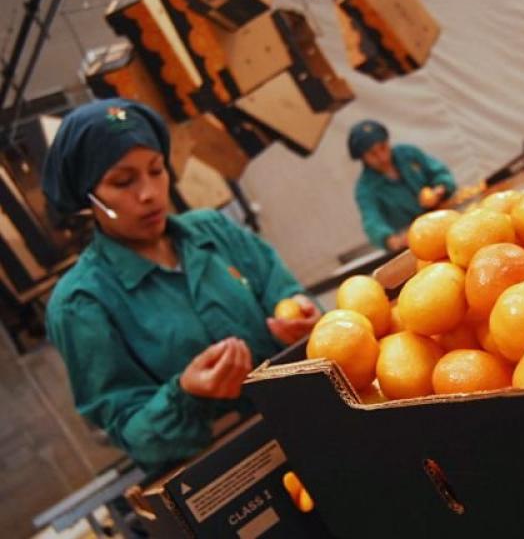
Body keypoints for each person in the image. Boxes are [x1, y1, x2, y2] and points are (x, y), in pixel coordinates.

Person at [42, 99, 321, 475]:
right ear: (88, 198)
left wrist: (302, 316)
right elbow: (133, 434)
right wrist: (187, 395)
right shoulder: (81, 302)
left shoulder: (213, 230)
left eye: (156, 170)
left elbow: (283, 290)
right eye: (123, 182)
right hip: (229, 472)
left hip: (310, 423)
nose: (149, 193)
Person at [349, 119, 456, 251]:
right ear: (363, 158)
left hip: (444, 217)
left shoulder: (409, 154)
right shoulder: (365, 189)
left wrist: (440, 189)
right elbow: (372, 221)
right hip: (414, 239)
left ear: (388, 142)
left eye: (383, 147)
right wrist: (389, 239)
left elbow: (439, 172)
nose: (382, 157)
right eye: (373, 154)